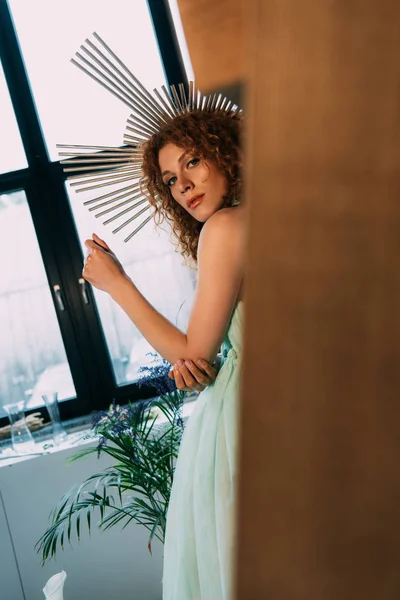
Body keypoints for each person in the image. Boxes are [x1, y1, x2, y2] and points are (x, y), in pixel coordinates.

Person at [74, 50, 244, 595]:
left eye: (193, 162)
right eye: (170, 179)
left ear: (227, 153)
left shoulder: (225, 228)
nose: (184, 186)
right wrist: (199, 363)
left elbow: (195, 350)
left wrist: (116, 283)